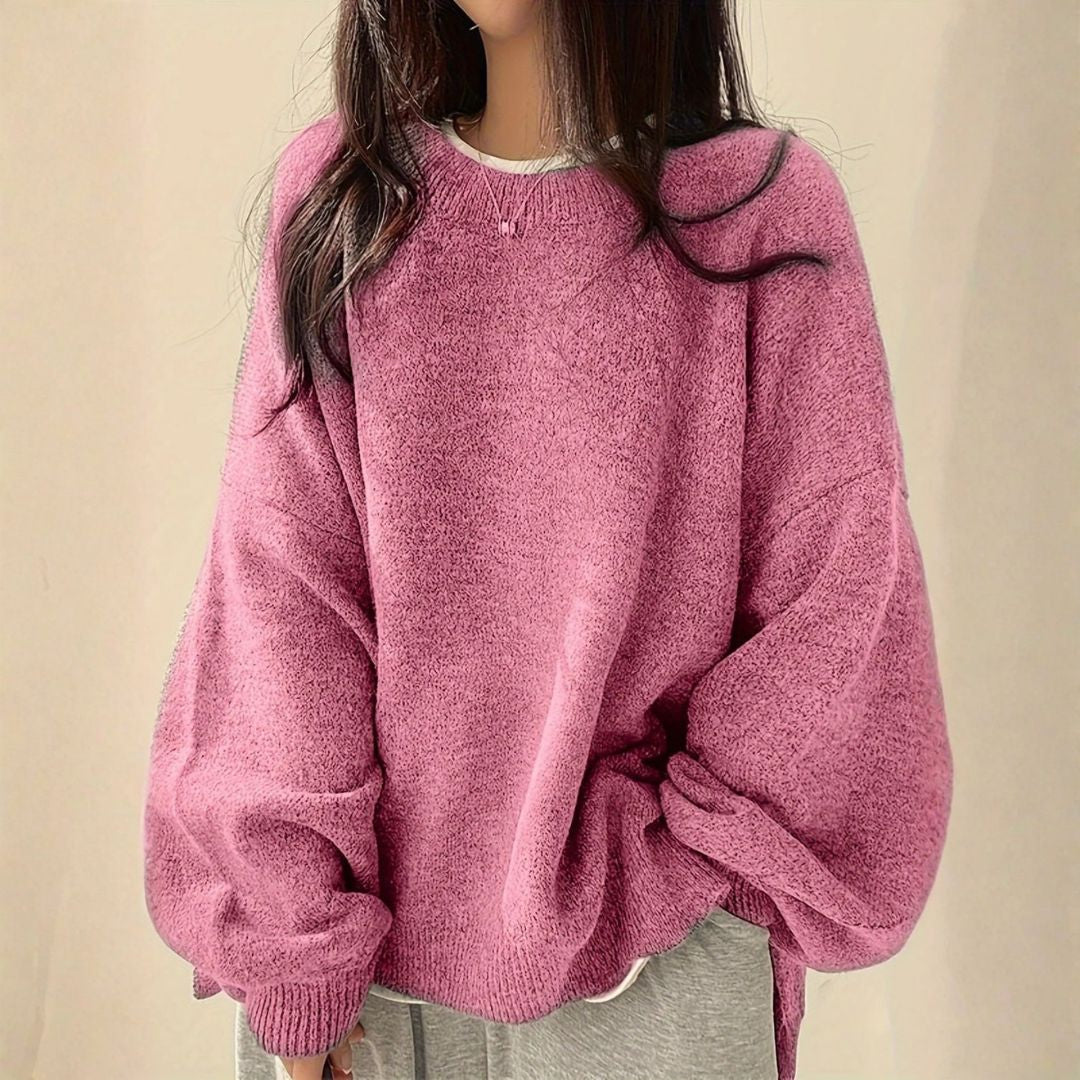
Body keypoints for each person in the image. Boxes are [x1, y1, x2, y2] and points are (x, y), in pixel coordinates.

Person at [140, 3, 954, 1079]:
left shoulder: (757, 209)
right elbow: (281, 593)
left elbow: (840, 597)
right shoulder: (347, 199)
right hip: (366, 991)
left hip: (660, 968)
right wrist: (295, 944)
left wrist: (701, 874)